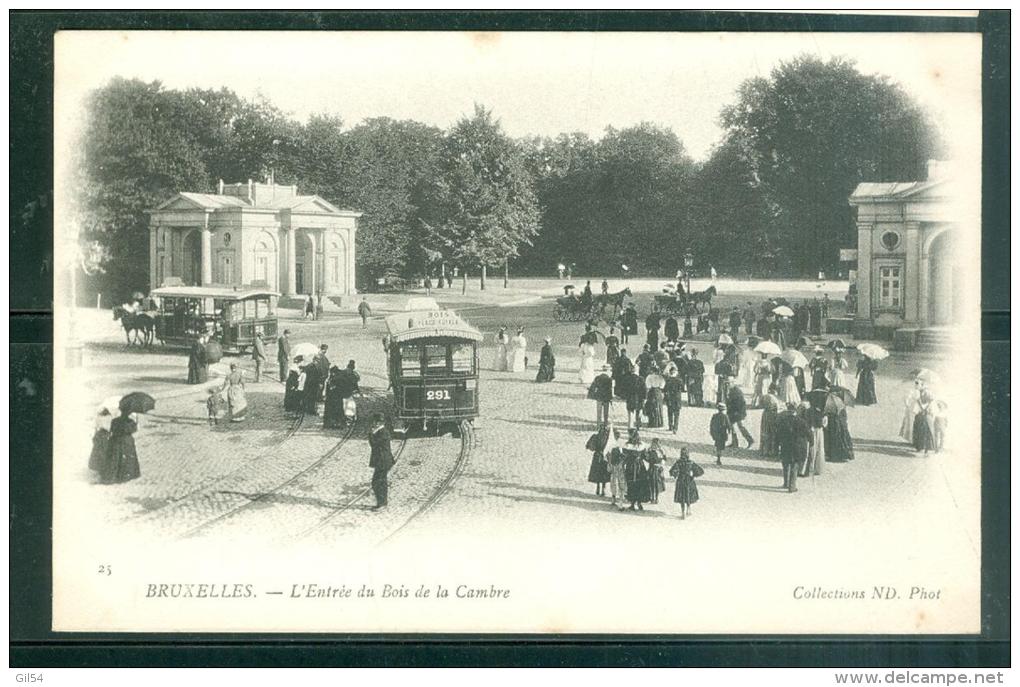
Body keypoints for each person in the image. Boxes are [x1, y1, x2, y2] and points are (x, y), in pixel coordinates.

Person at [776, 402, 810, 492]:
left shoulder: (782, 421)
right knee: (795, 465)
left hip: (785, 446)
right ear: (795, 411)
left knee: (786, 464)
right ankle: (792, 486)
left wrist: (777, 444)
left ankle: (786, 483)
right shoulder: (801, 421)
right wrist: (811, 442)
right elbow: (809, 433)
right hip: (797, 447)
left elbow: (777, 434)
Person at [100, 411, 142, 484]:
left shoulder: (115, 420)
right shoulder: (130, 422)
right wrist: (136, 423)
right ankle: (126, 475)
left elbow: (111, 430)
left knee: (115, 459)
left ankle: (112, 476)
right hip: (126, 442)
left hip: (115, 441)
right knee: (127, 459)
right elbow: (133, 430)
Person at [368, 413, 394, 510]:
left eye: (374, 422)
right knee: (379, 482)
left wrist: (371, 434)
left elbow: (374, 444)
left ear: (379, 423)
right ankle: (382, 503)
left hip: (383, 461)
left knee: (378, 482)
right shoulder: (381, 431)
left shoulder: (383, 432)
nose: (373, 424)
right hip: (382, 461)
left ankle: (382, 504)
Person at [670, 447, 703, 520]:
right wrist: (693, 475)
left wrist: (675, 475)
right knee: (688, 495)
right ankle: (688, 508)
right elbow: (700, 471)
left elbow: (672, 471)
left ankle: (682, 512)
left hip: (681, 480)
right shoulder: (690, 462)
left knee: (682, 496)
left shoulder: (678, 462)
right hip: (689, 480)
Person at [622, 430, 650, 511]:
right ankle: (634, 503)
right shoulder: (628, 445)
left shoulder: (639, 445)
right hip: (635, 467)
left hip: (636, 467)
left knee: (638, 484)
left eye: (630, 435)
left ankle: (637, 503)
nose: (629, 436)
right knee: (633, 484)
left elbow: (645, 457)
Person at [586, 424, 615, 497]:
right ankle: (602, 489)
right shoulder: (607, 437)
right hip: (604, 456)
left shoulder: (596, 436)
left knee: (598, 472)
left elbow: (589, 446)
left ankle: (598, 488)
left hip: (598, 456)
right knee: (604, 473)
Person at [801, 401, 827, 476]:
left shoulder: (808, 411)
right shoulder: (823, 413)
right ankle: (818, 468)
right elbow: (824, 424)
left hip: (810, 430)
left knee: (811, 449)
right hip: (819, 431)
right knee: (819, 449)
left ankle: (808, 469)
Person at [88, 404, 114, 475]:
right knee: (106, 452)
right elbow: (111, 428)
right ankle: (106, 469)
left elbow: (96, 428)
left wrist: (94, 437)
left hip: (100, 436)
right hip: (106, 436)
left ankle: (99, 469)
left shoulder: (98, 418)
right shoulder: (110, 417)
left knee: (98, 453)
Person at [726, 384, 754, 449]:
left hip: (738, 413)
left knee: (740, 426)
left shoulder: (736, 393)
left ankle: (750, 440)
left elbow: (740, 405)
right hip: (733, 413)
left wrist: (737, 413)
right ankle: (734, 442)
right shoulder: (731, 392)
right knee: (732, 427)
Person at [913, 389, 938, 455]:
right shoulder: (932, 403)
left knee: (920, 433)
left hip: (920, 419)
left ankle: (920, 448)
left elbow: (915, 411)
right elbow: (933, 412)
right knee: (929, 434)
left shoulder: (918, 402)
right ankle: (929, 449)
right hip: (928, 419)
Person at [607, 434, 627, 508]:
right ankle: (619, 502)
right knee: (619, 485)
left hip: (616, 468)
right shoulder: (617, 447)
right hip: (619, 468)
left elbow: (608, 458)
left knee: (614, 484)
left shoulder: (611, 447)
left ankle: (614, 499)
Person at [758, 391, 781, 459]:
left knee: (766, 433)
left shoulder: (766, 398)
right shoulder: (771, 398)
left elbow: (761, 405)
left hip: (769, 415)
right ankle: (772, 450)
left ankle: (766, 451)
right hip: (773, 414)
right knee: (772, 433)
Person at [664, 365, 684, 434]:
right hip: (677, 399)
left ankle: (670, 426)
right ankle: (675, 428)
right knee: (677, 414)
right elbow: (683, 388)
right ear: (676, 372)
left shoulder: (668, 380)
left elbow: (665, 389)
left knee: (670, 413)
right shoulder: (679, 380)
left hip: (670, 398)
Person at [646, 438, 667, 504]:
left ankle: (656, 498)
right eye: (654, 443)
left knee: (657, 484)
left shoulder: (660, 451)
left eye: (656, 444)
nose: (655, 445)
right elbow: (647, 458)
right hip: (652, 468)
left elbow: (664, 459)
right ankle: (652, 497)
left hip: (657, 469)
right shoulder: (650, 450)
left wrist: (661, 464)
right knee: (651, 484)